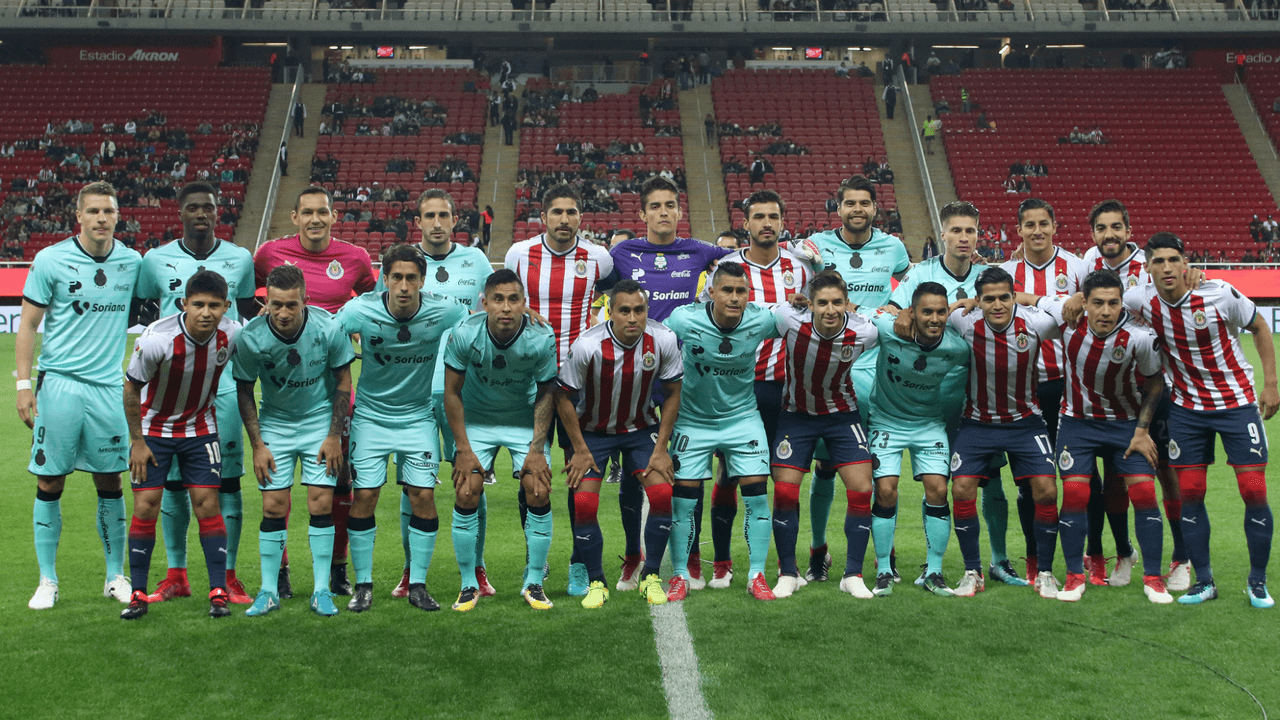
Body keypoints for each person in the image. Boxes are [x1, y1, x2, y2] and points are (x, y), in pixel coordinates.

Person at [1099, 233, 1278, 607]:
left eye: (1173, 260)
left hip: (1237, 404)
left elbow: (1259, 326)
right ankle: (1204, 581)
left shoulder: (1218, 293)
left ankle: (1257, 581)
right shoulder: (1140, 299)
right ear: (1146, 268)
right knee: (1191, 493)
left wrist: (1271, 384)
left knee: (1254, 491)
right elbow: (1102, 305)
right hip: (1186, 409)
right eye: (1158, 261)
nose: (1166, 267)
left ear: (1185, 263)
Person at [18, 182, 140, 611]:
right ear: (79, 217)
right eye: (93, 212)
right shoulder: (50, 260)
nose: (101, 219)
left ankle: (114, 575)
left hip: (108, 388)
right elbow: (29, 325)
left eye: (108, 211)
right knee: (50, 480)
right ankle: (47, 581)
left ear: (117, 216)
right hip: (61, 385)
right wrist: (22, 385)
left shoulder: (132, 261)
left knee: (110, 480)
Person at [608, 176, 735, 588]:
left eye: (670, 205)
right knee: (632, 469)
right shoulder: (622, 253)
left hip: (686, 375)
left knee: (687, 469)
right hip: (636, 376)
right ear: (642, 213)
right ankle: (631, 555)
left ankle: (692, 555)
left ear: (680, 212)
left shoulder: (700, 251)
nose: (664, 212)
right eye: (655, 206)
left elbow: (745, 260)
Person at [135, 182, 258, 606]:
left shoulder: (241, 259)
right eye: (192, 207)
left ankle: (229, 575)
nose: (201, 213)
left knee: (226, 482)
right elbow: (145, 320)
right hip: (169, 393)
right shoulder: (154, 260)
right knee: (170, 484)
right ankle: (176, 575)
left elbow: (245, 317)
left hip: (221, 390)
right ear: (180, 212)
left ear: (218, 211)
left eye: (208, 206)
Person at [254, 186, 376, 599]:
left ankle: (338, 570)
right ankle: (281, 573)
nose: (315, 219)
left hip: (336, 394)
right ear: (294, 217)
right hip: (286, 394)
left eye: (322, 212)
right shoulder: (270, 254)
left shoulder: (355, 259)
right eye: (307, 212)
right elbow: (254, 298)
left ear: (334, 215)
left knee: (340, 486)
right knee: (278, 491)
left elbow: (374, 302)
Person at [334, 244, 467, 613]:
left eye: (412, 278)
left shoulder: (444, 308)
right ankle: (363, 586)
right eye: (397, 278)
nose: (404, 285)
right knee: (365, 497)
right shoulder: (361, 309)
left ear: (422, 280)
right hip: (371, 418)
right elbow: (327, 332)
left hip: (417, 417)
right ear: (385, 279)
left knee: (423, 496)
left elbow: (477, 322)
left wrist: (526, 314)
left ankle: (418, 584)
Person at [790, 175, 909, 583]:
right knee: (824, 466)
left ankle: (884, 554)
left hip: (880, 368)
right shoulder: (815, 246)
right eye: (850, 203)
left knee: (878, 466)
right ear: (837, 208)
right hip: (832, 367)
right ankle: (818, 550)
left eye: (865, 203)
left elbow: (910, 286)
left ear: (876, 208)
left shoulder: (893, 247)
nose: (858, 209)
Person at [1029, 272, 1173, 604]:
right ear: (1084, 302)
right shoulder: (1067, 320)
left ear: (1122, 303)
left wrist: (1141, 431)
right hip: (1077, 423)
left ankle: (1153, 578)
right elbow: (1026, 298)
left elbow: (1155, 385)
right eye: (1097, 303)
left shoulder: (1139, 338)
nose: (1105, 311)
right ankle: (1074, 577)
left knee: (1144, 492)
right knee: (1076, 493)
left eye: (1113, 303)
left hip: (1125, 424)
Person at [380, 189, 493, 600]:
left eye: (444, 215)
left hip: (463, 388)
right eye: (429, 215)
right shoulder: (403, 265)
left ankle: (477, 569)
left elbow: (490, 315)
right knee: (415, 485)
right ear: (419, 221)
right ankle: (411, 570)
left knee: (471, 480)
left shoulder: (476, 261)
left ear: (455, 219)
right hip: (413, 391)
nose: (437, 223)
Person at [696, 190, 810, 589]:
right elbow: (703, 319)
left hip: (789, 389)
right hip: (739, 390)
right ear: (745, 223)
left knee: (783, 477)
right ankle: (723, 563)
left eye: (773, 216)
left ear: (782, 222)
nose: (766, 223)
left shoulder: (801, 267)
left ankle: (786, 566)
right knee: (728, 474)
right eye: (758, 216)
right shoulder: (725, 268)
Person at [505, 185, 614, 597]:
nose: (564, 219)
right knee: (531, 470)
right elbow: (501, 298)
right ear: (543, 217)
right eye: (557, 212)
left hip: (576, 381)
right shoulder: (519, 253)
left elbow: (614, 294)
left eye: (571, 211)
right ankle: (539, 559)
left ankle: (579, 563)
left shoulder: (597, 258)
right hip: (530, 380)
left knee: (577, 472)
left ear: (581, 217)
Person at [1080, 199, 1191, 589]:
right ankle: (1124, 551)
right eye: (1101, 228)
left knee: (1165, 471)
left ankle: (1181, 556)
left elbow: (1180, 285)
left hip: (1158, 386)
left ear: (1129, 231)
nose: (1109, 235)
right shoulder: (1085, 267)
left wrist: (1198, 277)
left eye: (1116, 227)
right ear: (1093, 234)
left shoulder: (1147, 268)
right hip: (1112, 395)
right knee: (1115, 476)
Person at [554, 280, 684, 607]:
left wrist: (661, 449)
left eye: (639, 310)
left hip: (640, 428)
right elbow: (562, 397)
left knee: (663, 492)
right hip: (592, 432)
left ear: (647, 311)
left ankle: (650, 575)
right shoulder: (588, 345)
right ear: (610, 312)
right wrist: (579, 449)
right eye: (623, 310)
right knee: (584, 503)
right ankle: (597, 581)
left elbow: (672, 394)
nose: (632, 318)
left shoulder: (664, 339)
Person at [235, 265, 354, 617]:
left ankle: (321, 591)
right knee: (272, 506)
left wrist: (335, 436)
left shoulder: (328, 328)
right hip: (275, 422)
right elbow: (243, 392)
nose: (283, 313)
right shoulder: (251, 337)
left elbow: (344, 382)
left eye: (291, 304)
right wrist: (257, 445)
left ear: (305, 299)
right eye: (276, 305)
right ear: (265, 301)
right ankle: (269, 590)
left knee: (320, 504)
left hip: (319, 421)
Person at [120, 270, 239, 620]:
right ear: (183, 303)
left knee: (207, 503)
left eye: (214, 306)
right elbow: (130, 390)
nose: (206, 312)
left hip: (200, 429)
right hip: (152, 430)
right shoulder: (156, 339)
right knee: (146, 506)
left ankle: (218, 591)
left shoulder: (232, 334)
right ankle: (138, 594)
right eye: (198, 304)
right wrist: (137, 442)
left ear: (226, 307)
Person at [663, 262, 785, 602]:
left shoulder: (762, 319)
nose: (734, 298)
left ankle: (757, 575)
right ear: (712, 292)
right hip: (692, 420)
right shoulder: (684, 319)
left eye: (741, 291)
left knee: (758, 495)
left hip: (742, 419)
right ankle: (679, 576)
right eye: (727, 290)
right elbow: (653, 336)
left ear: (749, 295)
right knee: (683, 500)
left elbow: (801, 320)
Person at [444, 270, 559, 611]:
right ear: (485, 303)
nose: (506, 307)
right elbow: (451, 393)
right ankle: (468, 583)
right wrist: (463, 449)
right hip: (477, 420)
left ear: (525, 303)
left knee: (537, 488)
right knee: (466, 490)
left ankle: (534, 580)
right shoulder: (465, 333)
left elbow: (546, 393)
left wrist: (537, 449)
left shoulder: (541, 335)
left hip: (522, 419)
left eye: (513, 299)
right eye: (498, 299)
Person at [947, 267, 1063, 598]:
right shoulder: (965, 322)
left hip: (1026, 423)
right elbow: (940, 314)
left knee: (1046, 491)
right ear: (978, 300)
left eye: (1004, 297)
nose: (997, 305)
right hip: (977, 423)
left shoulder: (1035, 323)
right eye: (989, 299)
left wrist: (1034, 298)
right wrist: (961, 304)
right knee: (963, 490)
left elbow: (1068, 311)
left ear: (1014, 297)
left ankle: (1045, 573)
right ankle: (973, 571)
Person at [998, 198, 1095, 583]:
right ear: (1018, 230)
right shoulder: (1005, 271)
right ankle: (1035, 557)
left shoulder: (1077, 267)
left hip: (1069, 385)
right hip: (1023, 388)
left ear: (1055, 226)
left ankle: (1093, 552)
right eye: (1029, 225)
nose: (1037, 230)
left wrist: (1041, 300)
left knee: (1080, 478)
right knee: (1030, 481)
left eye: (1043, 223)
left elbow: (1094, 304)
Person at [768, 272, 880, 599]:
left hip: (842, 417)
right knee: (786, 493)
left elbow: (887, 322)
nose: (830, 309)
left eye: (837, 302)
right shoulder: (788, 319)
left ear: (846, 303)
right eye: (822, 303)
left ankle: (853, 575)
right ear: (810, 305)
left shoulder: (864, 331)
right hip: (796, 416)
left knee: (862, 489)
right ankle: (788, 573)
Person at [868, 282, 971, 596]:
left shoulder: (957, 348)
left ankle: (935, 572)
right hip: (886, 420)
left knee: (939, 490)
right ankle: (884, 569)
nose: (935, 318)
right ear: (913, 313)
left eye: (941, 311)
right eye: (927, 311)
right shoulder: (888, 329)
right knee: (886, 490)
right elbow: (854, 316)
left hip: (929, 424)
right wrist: (894, 311)